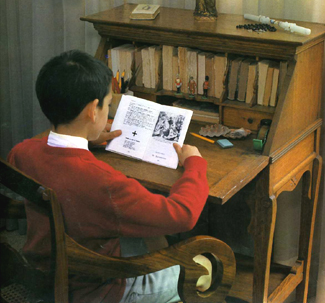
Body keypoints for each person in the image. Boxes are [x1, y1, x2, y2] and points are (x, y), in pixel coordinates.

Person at [7, 50, 209, 303]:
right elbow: (183, 214)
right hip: (99, 290)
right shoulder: (104, 182)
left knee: (152, 234)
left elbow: (50, 156)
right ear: (93, 110)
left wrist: (87, 137)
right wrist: (195, 164)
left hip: (48, 271)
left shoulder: (22, 153)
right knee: (206, 264)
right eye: (108, 104)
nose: (108, 113)